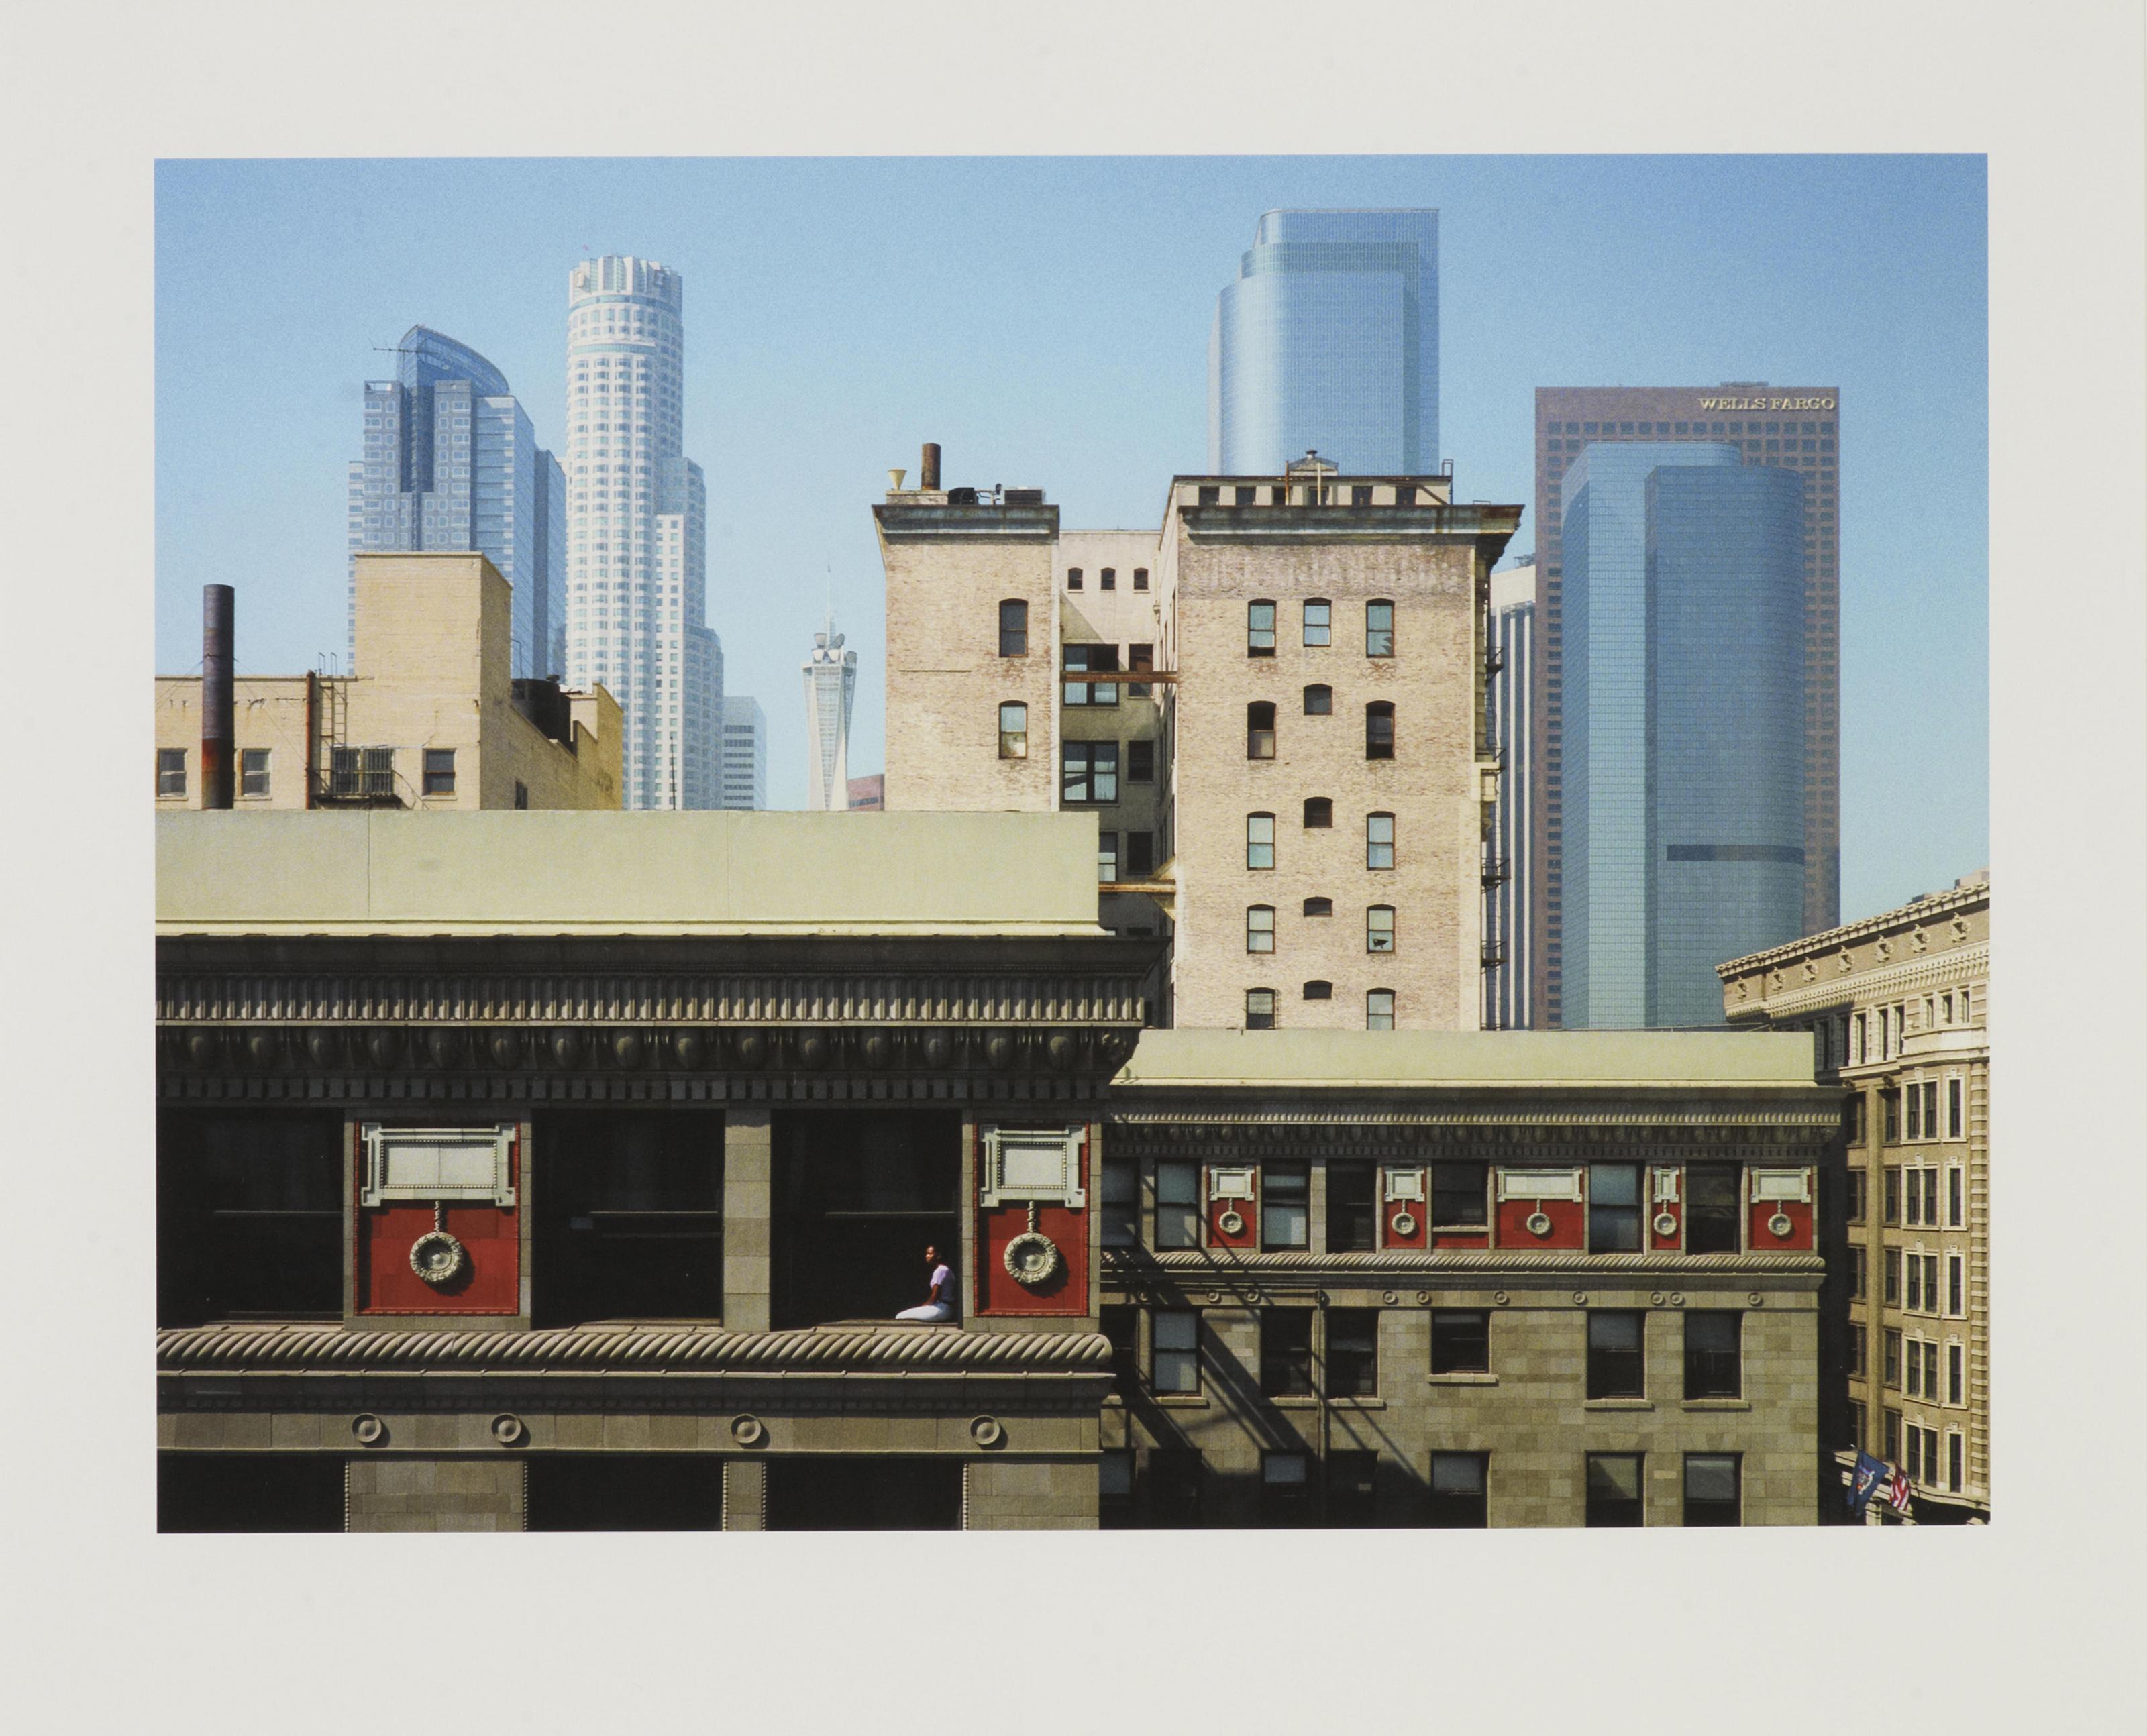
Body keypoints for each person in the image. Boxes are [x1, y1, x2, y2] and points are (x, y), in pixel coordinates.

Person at [895, 1244, 955, 1322]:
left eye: (930, 1254)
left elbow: (935, 1296)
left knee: (900, 1316)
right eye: (927, 1254)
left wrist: (924, 1307)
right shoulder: (945, 1269)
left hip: (942, 1309)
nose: (927, 1256)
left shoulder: (940, 1271)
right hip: (945, 1308)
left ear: (938, 1256)